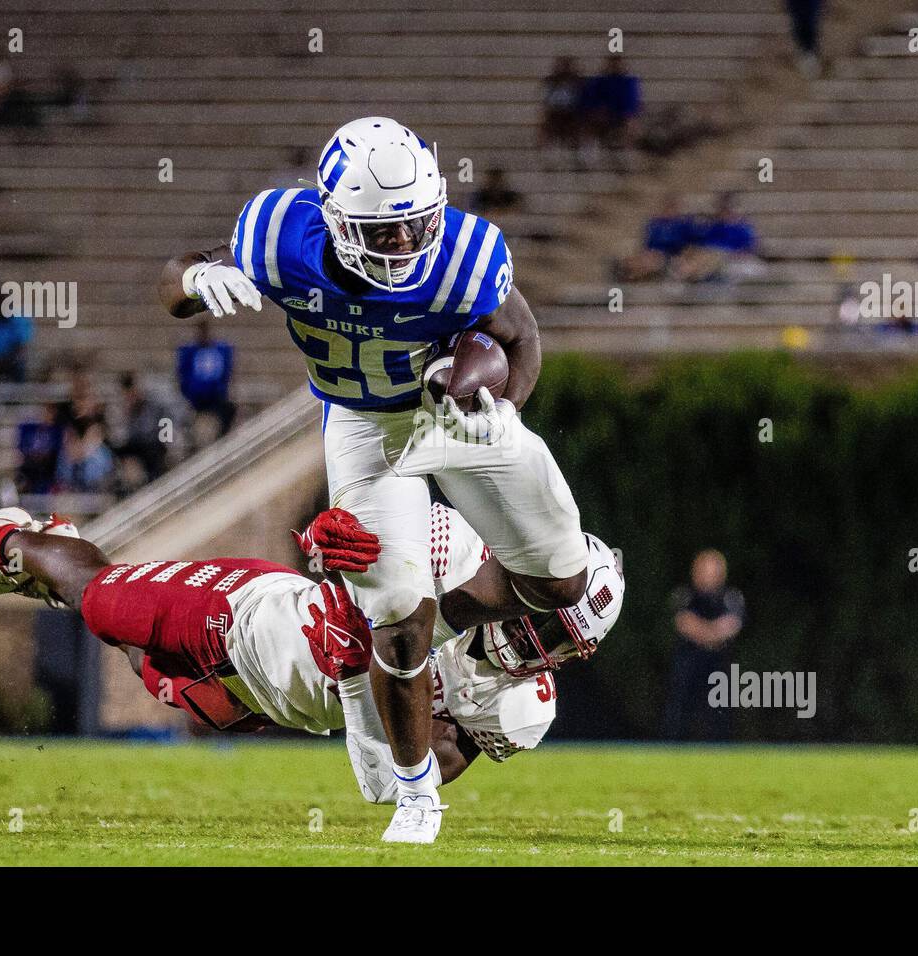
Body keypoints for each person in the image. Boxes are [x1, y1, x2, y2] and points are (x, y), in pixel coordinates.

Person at [158, 117, 593, 844]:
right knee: (395, 614)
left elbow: (522, 338)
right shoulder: (277, 236)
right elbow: (171, 282)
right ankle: (417, 795)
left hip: (452, 414)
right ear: (332, 218)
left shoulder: (465, 253)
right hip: (365, 428)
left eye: (415, 225)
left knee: (565, 587)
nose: (403, 245)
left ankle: (444, 628)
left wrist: (503, 406)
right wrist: (200, 277)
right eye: (382, 233)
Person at [0, 502, 625, 810]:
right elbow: (343, 534)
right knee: (100, 602)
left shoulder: (519, 707)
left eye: (557, 642)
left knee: (141, 659)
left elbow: (410, 778)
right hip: (251, 619)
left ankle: (47, 563)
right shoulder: (453, 554)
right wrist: (334, 549)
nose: (533, 643)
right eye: (542, 620)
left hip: (266, 697)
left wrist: (355, 680)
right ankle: (10, 539)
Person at [664, 550, 745, 742]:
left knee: (720, 714)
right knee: (678, 712)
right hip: (688, 662)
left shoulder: (731, 597)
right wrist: (712, 634)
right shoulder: (685, 596)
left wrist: (704, 632)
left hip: (718, 665)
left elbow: (732, 624)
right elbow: (684, 623)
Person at [176, 319, 235, 436]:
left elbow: (225, 373)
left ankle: (222, 437)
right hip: (195, 397)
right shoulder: (190, 352)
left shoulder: (219, 350)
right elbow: (183, 374)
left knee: (229, 409)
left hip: (215, 396)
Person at [539, 56, 585, 160]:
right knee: (546, 125)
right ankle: (548, 156)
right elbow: (547, 102)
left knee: (582, 125)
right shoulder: (550, 82)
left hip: (573, 114)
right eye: (562, 66)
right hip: (556, 113)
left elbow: (581, 101)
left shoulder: (578, 82)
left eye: (567, 66)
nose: (564, 69)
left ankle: (579, 156)